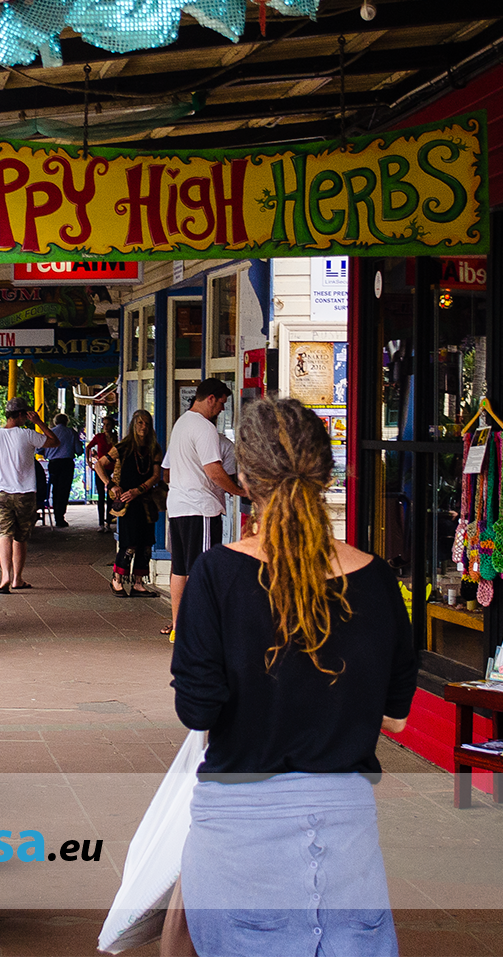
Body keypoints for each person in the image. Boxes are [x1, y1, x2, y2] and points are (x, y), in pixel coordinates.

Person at [169, 396, 418, 957]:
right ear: (326, 474)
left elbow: (197, 711)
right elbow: (398, 722)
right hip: (346, 826)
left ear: (247, 479)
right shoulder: (378, 580)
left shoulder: (215, 575)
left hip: (238, 823)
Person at [161, 378, 240, 639]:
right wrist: (239, 490)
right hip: (201, 507)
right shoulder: (204, 428)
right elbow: (214, 470)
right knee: (202, 569)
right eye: (221, 404)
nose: (222, 410)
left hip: (178, 506)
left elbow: (167, 471)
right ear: (211, 398)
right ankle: (199, 631)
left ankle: (179, 627)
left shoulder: (181, 424)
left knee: (180, 569)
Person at [0, 396, 59, 593]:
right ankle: (17, 578)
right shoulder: (28, 434)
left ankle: (4, 576)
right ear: (21, 415)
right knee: (21, 537)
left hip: (0, 493)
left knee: (4, 535)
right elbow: (54, 441)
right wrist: (39, 422)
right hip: (24, 493)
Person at [95, 409, 163, 597]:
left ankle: (138, 583)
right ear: (133, 425)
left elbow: (156, 475)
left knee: (146, 543)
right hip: (126, 502)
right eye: (140, 423)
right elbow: (99, 464)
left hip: (145, 500)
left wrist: (139, 490)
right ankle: (117, 579)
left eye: (147, 424)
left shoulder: (154, 448)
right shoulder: (123, 447)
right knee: (129, 543)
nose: (144, 427)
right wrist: (111, 485)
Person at [47, 412, 78, 528]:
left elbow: (39, 450)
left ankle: (56, 515)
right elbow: (79, 450)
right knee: (64, 490)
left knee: (55, 490)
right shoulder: (71, 432)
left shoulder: (50, 432)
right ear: (66, 422)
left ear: (55, 422)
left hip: (53, 463)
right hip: (67, 463)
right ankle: (60, 517)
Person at [87, 415, 117, 531]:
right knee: (100, 496)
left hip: (112, 468)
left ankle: (108, 522)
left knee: (111, 496)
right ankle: (101, 523)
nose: (105, 427)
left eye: (107, 424)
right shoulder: (99, 437)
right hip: (101, 469)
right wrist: (89, 461)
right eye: (103, 424)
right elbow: (88, 447)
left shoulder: (115, 437)